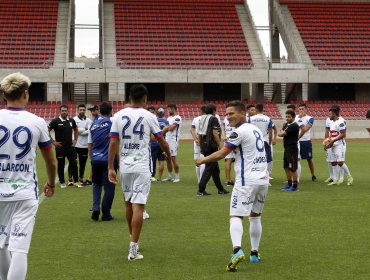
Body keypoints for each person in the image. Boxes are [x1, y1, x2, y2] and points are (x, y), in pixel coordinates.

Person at [195, 101, 269, 271]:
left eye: (231, 114)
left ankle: (236, 250)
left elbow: (222, 153)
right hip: (262, 180)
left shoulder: (239, 131)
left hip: (246, 181)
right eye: (226, 114)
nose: (228, 118)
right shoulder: (255, 129)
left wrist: (203, 160)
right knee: (255, 216)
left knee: (235, 216)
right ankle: (254, 253)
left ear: (243, 113)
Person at [0, 72, 56, 280]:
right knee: (20, 249)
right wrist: (51, 183)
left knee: (1, 245)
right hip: (24, 193)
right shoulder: (37, 121)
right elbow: (50, 160)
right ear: (25, 94)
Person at [107, 84, 171, 261]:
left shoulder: (118, 115)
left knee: (128, 203)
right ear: (145, 99)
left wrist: (110, 167)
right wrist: (169, 154)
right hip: (142, 165)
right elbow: (160, 139)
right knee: (139, 206)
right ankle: (133, 250)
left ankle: (132, 240)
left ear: (129, 98)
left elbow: (113, 143)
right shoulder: (149, 115)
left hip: (125, 166)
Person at [88, 102, 117, 221]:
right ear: (111, 111)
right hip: (108, 160)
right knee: (109, 188)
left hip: (95, 159)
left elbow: (90, 145)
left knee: (96, 185)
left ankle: (95, 208)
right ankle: (106, 214)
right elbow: (115, 142)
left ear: (100, 111)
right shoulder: (112, 122)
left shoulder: (93, 124)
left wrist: (92, 159)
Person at [197, 105, 229, 196]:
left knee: (215, 169)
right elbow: (215, 133)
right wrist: (220, 146)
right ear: (214, 111)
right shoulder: (213, 119)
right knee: (209, 167)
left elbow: (199, 133)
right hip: (211, 146)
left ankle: (220, 189)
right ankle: (201, 189)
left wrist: (201, 145)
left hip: (205, 144)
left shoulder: (202, 118)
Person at [48, 105, 79, 188]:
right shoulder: (55, 121)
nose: (64, 112)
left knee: (74, 163)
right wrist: (53, 141)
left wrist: (75, 139)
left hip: (70, 147)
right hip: (60, 147)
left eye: (65, 110)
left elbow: (76, 130)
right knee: (61, 165)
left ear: (68, 111)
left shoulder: (71, 120)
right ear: (60, 111)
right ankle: (62, 182)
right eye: (62, 110)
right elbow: (47, 131)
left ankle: (76, 181)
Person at [325, 105, 353, 186]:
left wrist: (333, 141)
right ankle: (335, 180)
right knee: (333, 162)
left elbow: (343, 134)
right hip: (332, 144)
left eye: (330, 114)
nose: (329, 115)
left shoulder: (340, 122)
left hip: (340, 145)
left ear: (334, 114)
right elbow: (331, 134)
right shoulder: (331, 123)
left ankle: (349, 177)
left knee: (340, 162)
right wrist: (327, 143)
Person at [248, 104, 273, 179]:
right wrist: (270, 142)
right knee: (266, 159)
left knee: (255, 158)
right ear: (263, 109)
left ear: (256, 109)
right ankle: (265, 174)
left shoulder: (251, 118)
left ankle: (254, 174)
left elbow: (248, 129)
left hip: (254, 141)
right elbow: (270, 131)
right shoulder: (268, 119)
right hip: (264, 141)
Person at [279, 110, 300, 191]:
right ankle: (289, 184)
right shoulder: (287, 124)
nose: (287, 118)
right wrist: (281, 132)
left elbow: (281, 134)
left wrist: (281, 133)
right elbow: (281, 132)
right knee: (286, 167)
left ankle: (295, 186)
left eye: (289, 117)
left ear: (293, 117)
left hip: (292, 149)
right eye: (286, 116)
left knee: (292, 168)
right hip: (287, 148)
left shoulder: (294, 125)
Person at [72, 104, 92, 186]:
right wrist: (85, 129)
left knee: (83, 163)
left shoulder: (89, 120)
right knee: (73, 162)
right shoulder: (74, 119)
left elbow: (90, 131)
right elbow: (74, 130)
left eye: (83, 110)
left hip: (84, 145)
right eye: (80, 110)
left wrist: (79, 131)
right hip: (75, 144)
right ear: (77, 110)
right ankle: (73, 178)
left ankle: (81, 177)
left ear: (85, 111)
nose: (82, 111)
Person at [297, 104, 316, 181]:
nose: (301, 110)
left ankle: (313, 175)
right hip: (297, 141)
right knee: (296, 159)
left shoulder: (310, 118)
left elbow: (306, 128)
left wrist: (299, 120)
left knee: (309, 159)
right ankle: (296, 177)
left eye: (302, 109)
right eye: (300, 109)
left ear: (306, 109)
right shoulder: (295, 117)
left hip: (306, 141)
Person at [163, 104, 182, 182]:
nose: (168, 111)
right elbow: (168, 128)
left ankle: (177, 177)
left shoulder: (177, 118)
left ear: (173, 109)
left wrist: (166, 128)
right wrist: (167, 128)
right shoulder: (169, 118)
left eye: (169, 109)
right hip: (167, 139)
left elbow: (171, 128)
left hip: (173, 140)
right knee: (167, 158)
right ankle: (170, 176)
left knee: (173, 158)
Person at [151, 107, 169, 183]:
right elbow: (167, 131)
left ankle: (151, 176)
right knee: (161, 161)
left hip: (154, 143)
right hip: (162, 142)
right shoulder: (166, 121)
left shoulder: (154, 120)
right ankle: (159, 178)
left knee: (152, 160)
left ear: (157, 113)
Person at [190, 106, 206, 183]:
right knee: (203, 160)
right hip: (205, 142)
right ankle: (202, 180)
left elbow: (192, 129)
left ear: (201, 111)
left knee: (197, 160)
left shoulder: (195, 119)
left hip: (196, 142)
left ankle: (199, 180)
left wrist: (195, 139)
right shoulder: (208, 119)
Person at [222, 114, 235, 186]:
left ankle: (228, 180)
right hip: (236, 138)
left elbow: (223, 126)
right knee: (239, 159)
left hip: (227, 139)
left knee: (228, 160)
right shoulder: (237, 116)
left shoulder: (225, 117)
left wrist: (224, 135)